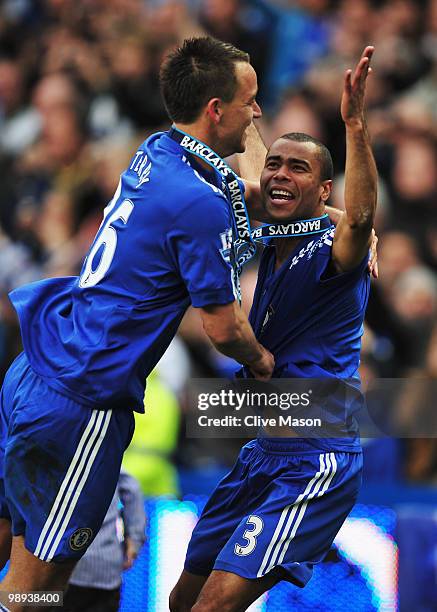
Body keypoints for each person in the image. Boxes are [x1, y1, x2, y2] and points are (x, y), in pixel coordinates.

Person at [0, 36, 276, 606]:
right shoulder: (201, 205)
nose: (259, 113)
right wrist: (264, 361)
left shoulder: (155, 150)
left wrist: (238, 96)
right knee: (39, 591)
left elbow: (254, 185)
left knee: (11, 549)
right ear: (215, 110)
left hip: (35, 366)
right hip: (81, 402)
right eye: (251, 102)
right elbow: (223, 330)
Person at [170, 46, 377, 612]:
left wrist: (354, 125)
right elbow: (259, 168)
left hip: (316, 458)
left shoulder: (335, 252)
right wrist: (254, 115)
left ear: (325, 192)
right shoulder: (267, 235)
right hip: (262, 453)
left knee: (213, 607)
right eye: (276, 168)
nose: (281, 175)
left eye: (300, 169)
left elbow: (358, 219)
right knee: (180, 602)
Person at [53, 470, 145, 612]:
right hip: (106, 570)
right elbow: (131, 486)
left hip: (61, 569)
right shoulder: (107, 460)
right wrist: (134, 540)